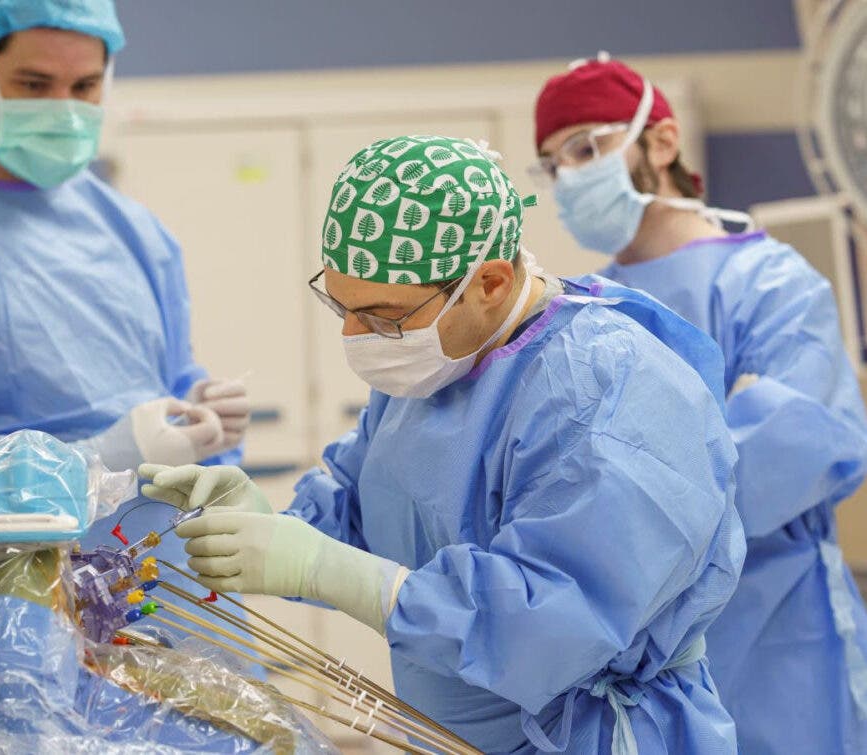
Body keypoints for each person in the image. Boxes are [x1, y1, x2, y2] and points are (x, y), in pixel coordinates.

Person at [141, 135, 747, 754]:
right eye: (341, 307)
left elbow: (552, 625)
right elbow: (367, 505)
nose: (356, 337)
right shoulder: (435, 361)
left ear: (489, 281)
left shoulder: (608, 392)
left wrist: (328, 570)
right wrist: (272, 527)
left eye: (382, 317)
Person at [534, 54, 867, 754]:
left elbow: (805, 437)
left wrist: (632, 514)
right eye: (551, 162)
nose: (568, 175)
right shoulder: (586, 307)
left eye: (586, 147)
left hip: (778, 637)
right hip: (640, 657)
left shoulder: (766, 281)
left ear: (660, 142)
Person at [0, 1, 249, 598]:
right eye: (35, 84)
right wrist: (96, 462)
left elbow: (165, 378)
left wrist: (204, 421)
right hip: (17, 605)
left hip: (170, 587)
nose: (63, 106)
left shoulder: (133, 231)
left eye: (85, 85)